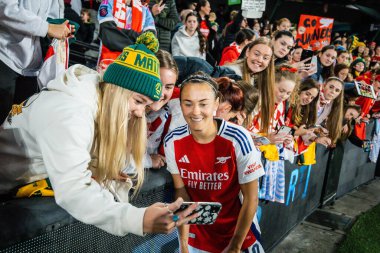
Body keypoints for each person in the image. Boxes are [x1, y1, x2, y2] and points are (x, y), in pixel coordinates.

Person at [0, 35, 197, 236]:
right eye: (138, 101)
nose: (140, 113)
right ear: (119, 90)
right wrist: (138, 219)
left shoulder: (98, 98)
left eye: (145, 105)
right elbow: (74, 190)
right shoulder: (71, 112)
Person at [164, 72, 265, 253]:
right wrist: (184, 243)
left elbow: (251, 197)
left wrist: (235, 245)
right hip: (197, 237)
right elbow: (182, 192)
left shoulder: (238, 138)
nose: (195, 111)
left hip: (236, 234)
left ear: (216, 103)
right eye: (188, 103)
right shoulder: (172, 140)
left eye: (203, 104)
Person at [0, 0, 72, 123]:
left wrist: (59, 28)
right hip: (5, 57)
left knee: (17, 126)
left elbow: (52, 15)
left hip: (32, 68)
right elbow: (5, 9)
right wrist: (47, 28)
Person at [225, 37, 276, 134]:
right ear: (248, 52)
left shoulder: (258, 78)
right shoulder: (231, 73)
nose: (260, 60)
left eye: (265, 58)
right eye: (256, 54)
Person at [316, 77, 344, 145]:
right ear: (324, 85)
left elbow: (313, 123)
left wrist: (318, 129)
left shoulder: (330, 105)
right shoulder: (313, 94)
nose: (333, 92)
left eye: (337, 90)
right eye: (331, 87)